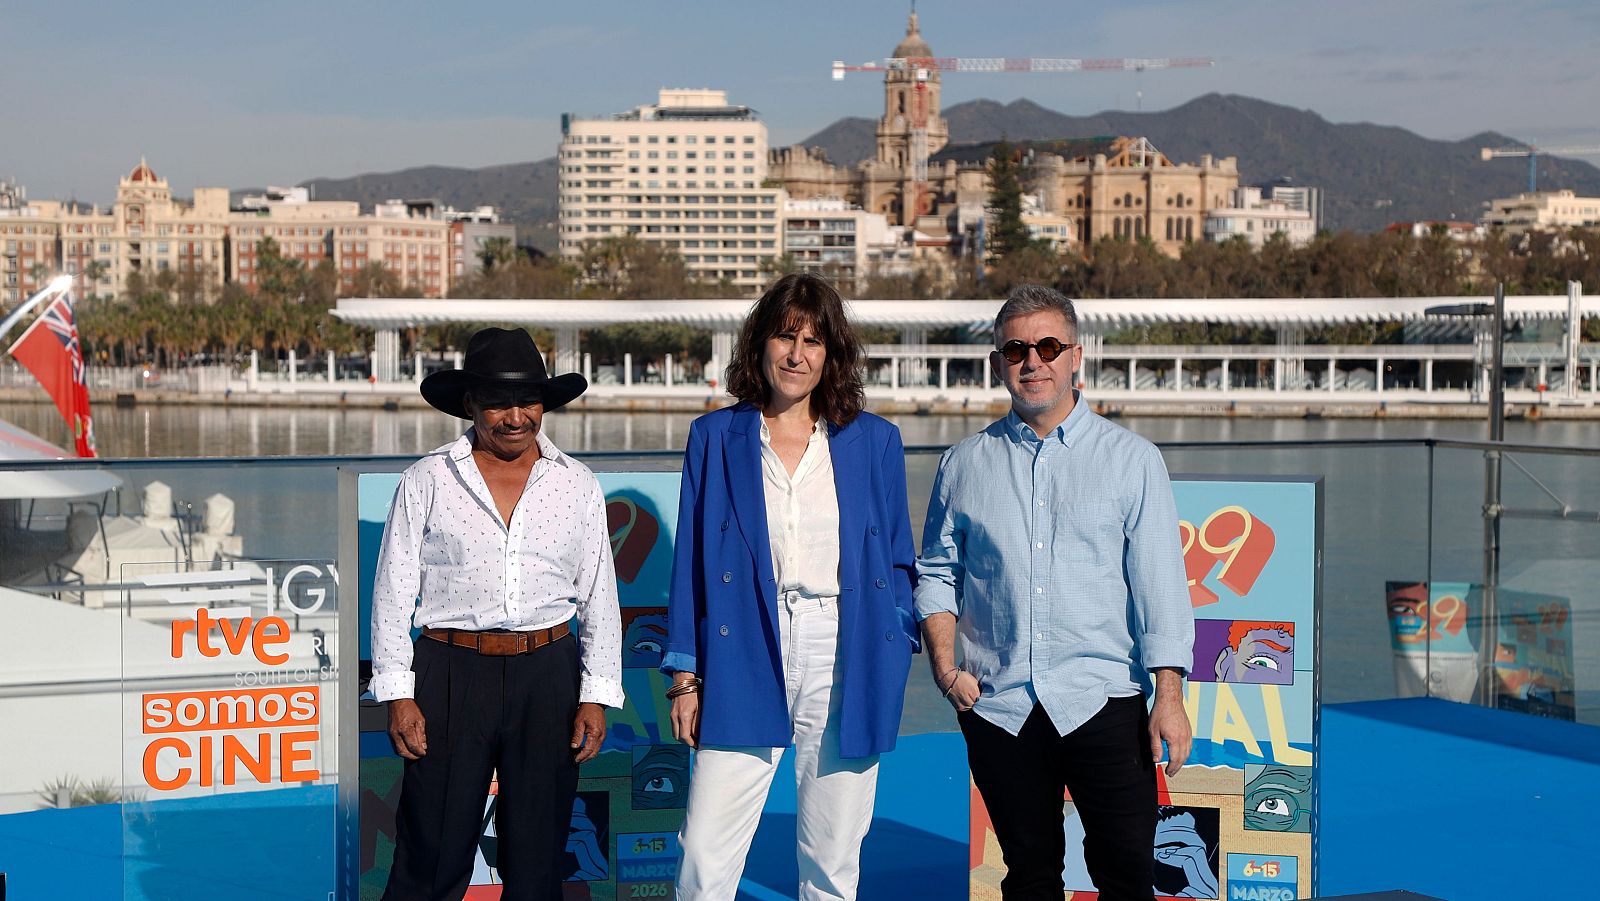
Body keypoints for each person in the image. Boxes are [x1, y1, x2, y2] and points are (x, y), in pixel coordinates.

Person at [915, 285, 1195, 901]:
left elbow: (1160, 587)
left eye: (1048, 347)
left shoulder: (1133, 460)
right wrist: (945, 668)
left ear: (1076, 357)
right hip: (1000, 706)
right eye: (1016, 349)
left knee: (1127, 877)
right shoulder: (962, 464)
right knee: (1029, 879)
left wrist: (1169, 697)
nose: (1032, 362)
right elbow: (935, 573)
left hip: (1105, 701)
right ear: (997, 362)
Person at [662, 273, 918, 901]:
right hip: (745, 645)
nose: (797, 354)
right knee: (704, 854)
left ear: (832, 354)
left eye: (813, 341)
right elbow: (690, 564)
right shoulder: (714, 438)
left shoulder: (875, 441)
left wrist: (894, 640)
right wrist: (685, 678)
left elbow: (897, 559)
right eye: (785, 336)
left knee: (832, 857)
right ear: (760, 345)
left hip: (844, 648)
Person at [370, 326, 624, 901]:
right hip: (449, 671)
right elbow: (392, 591)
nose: (515, 417)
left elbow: (598, 596)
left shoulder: (577, 483)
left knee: (538, 855)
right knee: (431, 849)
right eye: (498, 403)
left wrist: (595, 695)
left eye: (527, 401)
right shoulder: (427, 478)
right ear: (470, 404)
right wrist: (399, 694)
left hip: (548, 673)